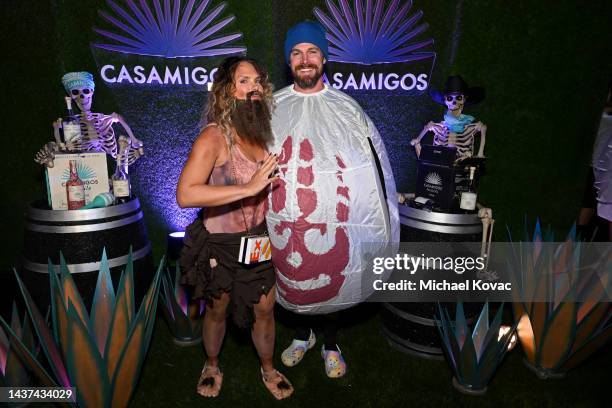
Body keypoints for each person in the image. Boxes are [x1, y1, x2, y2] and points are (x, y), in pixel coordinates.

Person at [267, 21, 399, 378]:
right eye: (297, 53)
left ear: (323, 59)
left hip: (335, 215)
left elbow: (374, 170)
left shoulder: (348, 108)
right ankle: (300, 335)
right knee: (294, 271)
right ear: (289, 61)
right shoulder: (272, 107)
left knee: (333, 271)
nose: (304, 59)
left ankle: (329, 341)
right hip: (286, 214)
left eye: (312, 52)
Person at [176, 56, 293, 400]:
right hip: (219, 243)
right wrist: (248, 188)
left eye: (257, 81)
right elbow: (185, 194)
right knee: (217, 309)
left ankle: (268, 367)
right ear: (227, 91)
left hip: (258, 240)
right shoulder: (213, 137)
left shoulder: (261, 134)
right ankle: (212, 364)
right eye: (244, 81)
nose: (254, 87)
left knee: (265, 309)